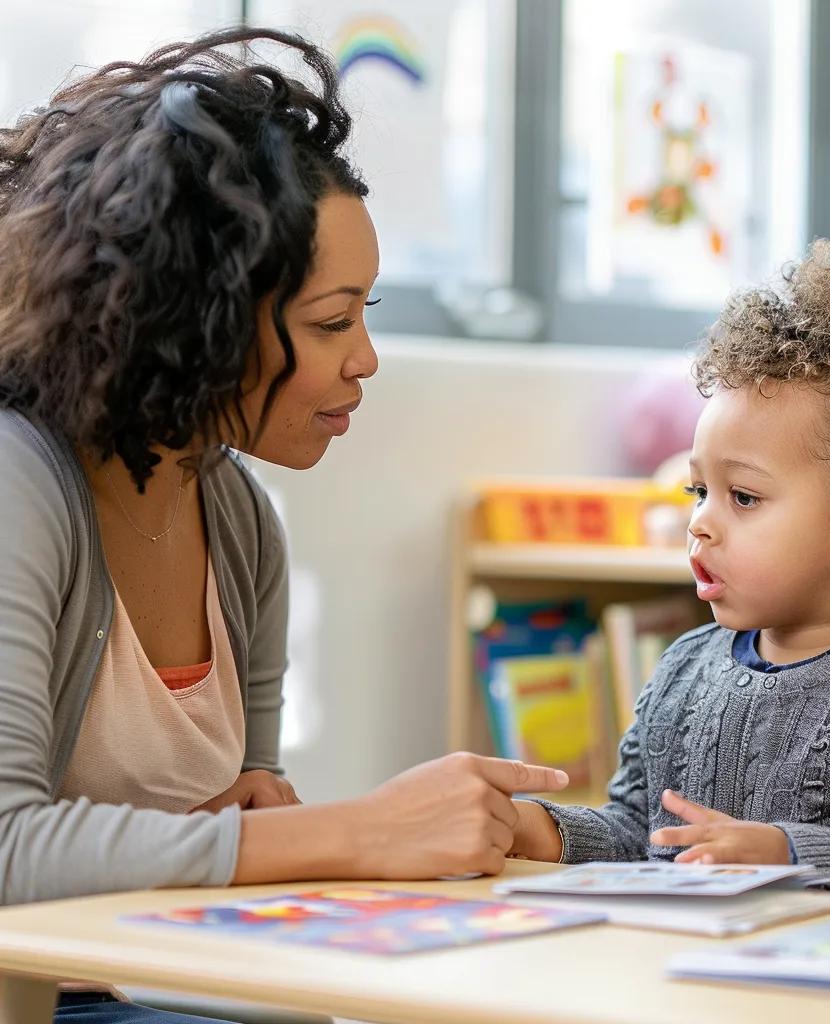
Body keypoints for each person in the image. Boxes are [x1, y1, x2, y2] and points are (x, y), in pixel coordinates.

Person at [0, 27, 567, 1023]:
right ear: (196, 316)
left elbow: (245, 820)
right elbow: (8, 848)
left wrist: (321, 829)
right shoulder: (20, 484)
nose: (366, 361)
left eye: (365, 313)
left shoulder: (239, 514)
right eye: (331, 322)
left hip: (141, 981)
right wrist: (357, 831)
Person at [511, 241, 830, 909]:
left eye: (742, 498)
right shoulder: (682, 671)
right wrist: (542, 830)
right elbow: (642, 835)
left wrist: (789, 853)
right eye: (699, 492)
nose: (701, 523)